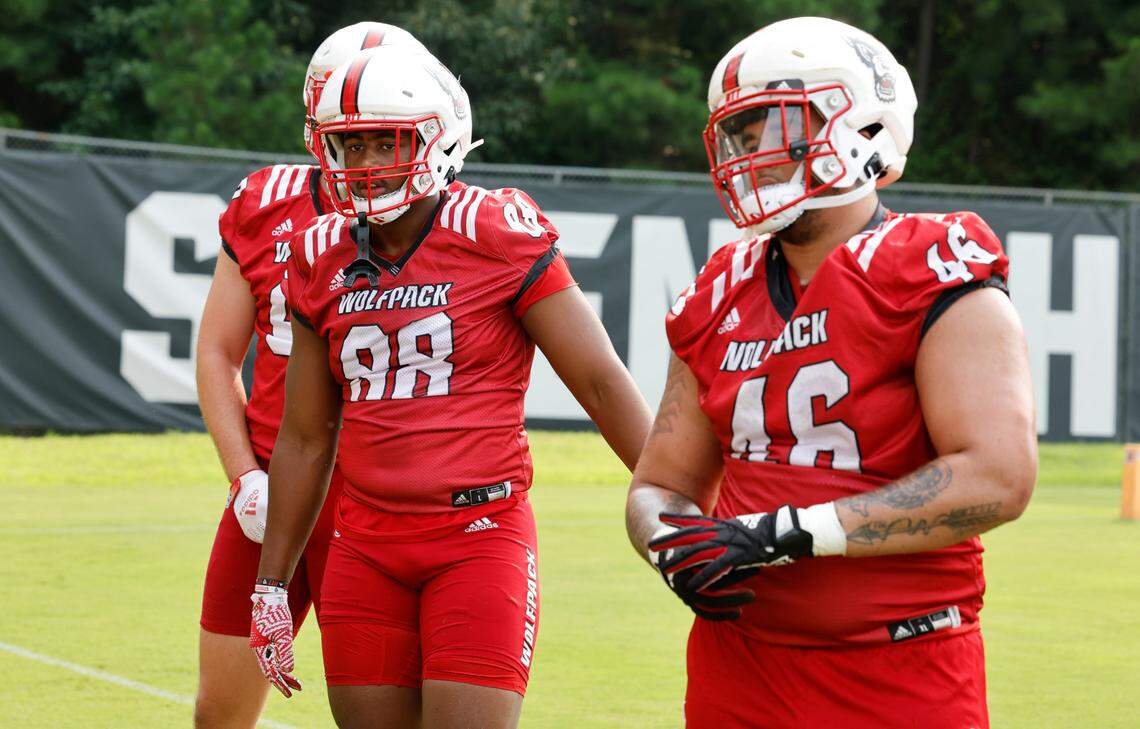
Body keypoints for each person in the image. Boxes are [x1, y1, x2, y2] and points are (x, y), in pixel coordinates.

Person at [625, 16, 1037, 729]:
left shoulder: (933, 265)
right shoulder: (718, 289)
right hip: (739, 665)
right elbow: (659, 484)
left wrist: (786, 532)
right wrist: (673, 545)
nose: (748, 153)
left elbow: (999, 476)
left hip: (898, 667)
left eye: (768, 127)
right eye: (740, 136)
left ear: (859, 127)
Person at [248, 44, 652, 729]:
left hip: (479, 533)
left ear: (439, 137)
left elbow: (600, 380)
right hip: (365, 541)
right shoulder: (319, 253)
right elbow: (307, 435)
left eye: (387, 140)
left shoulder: (494, 230)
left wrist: (684, 502)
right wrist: (271, 584)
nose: (368, 162)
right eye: (351, 144)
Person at [194, 22, 427, 728]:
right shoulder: (268, 204)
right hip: (276, 488)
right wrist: (246, 479)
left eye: (385, 130)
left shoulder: (443, 221)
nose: (366, 145)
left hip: (383, 502)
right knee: (219, 713)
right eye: (349, 128)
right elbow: (215, 352)